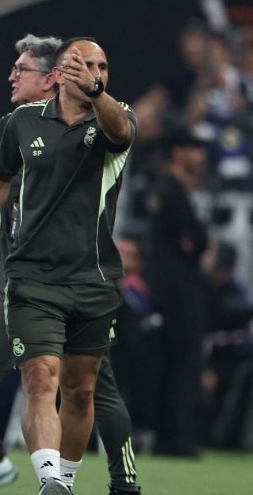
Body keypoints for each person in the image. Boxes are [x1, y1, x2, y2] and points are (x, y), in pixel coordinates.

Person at [0, 35, 142, 495]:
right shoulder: (22, 122)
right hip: (31, 278)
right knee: (38, 379)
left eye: (102, 65)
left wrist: (98, 94)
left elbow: (121, 132)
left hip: (93, 279)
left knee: (86, 390)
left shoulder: (114, 119)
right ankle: (45, 480)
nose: (95, 72)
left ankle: (105, 480)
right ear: (59, 74)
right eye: (85, 63)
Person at [143, 129, 208, 457]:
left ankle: (170, 434)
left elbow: (193, 240)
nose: (201, 155)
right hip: (175, 289)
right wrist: (195, 240)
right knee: (180, 361)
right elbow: (194, 240)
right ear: (178, 152)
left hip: (174, 285)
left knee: (175, 362)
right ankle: (174, 437)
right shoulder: (168, 190)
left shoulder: (177, 189)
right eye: (194, 148)